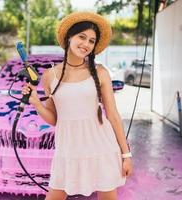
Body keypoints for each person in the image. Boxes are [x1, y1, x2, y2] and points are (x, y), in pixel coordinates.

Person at [21, 11, 133, 200]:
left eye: (91, 40)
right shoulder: (51, 76)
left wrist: (126, 154)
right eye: (82, 37)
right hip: (68, 151)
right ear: (69, 37)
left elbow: (113, 115)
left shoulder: (100, 72)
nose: (86, 44)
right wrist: (36, 103)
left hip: (102, 148)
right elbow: (55, 119)